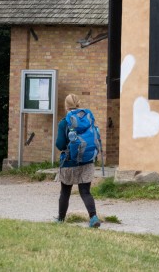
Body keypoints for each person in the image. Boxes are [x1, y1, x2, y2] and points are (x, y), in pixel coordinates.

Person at [54, 93, 101, 227]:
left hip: (69, 162)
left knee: (65, 192)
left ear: (66, 106)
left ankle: (61, 219)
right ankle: (93, 218)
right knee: (85, 192)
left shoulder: (64, 122)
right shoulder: (88, 119)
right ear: (79, 104)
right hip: (87, 161)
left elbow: (60, 144)